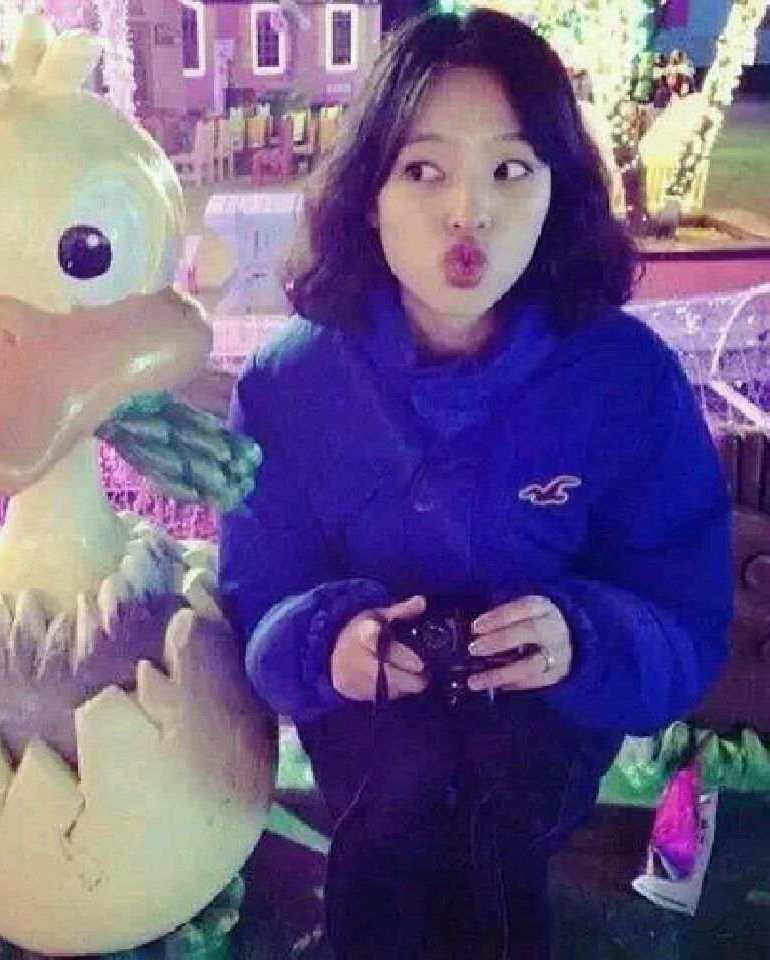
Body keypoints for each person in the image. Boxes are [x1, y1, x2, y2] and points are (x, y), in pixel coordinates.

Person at [220, 9, 731, 959]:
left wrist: (580, 637)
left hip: (537, 766)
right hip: (369, 768)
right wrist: (330, 644)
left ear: (556, 191)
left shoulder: (624, 382)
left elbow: (686, 620)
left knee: (499, 860)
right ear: (368, 194)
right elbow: (255, 604)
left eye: (510, 169)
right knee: (389, 843)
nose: (469, 212)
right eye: (424, 170)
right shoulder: (291, 385)